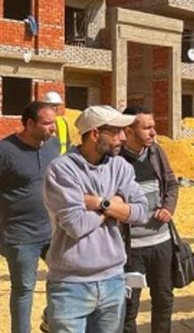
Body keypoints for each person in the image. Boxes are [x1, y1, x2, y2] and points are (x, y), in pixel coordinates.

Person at [43, 105, 148, 332]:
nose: (123, 138)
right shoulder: (62, 170)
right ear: (95, 134)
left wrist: (101, 203)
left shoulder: (120, 166)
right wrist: (117, 204)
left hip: (113, 281)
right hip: (71, 287)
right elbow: (77, 225)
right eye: (116, 132)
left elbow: (141, 212)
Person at [120, 106, 180, 333]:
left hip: (161, 243)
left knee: (164, 300)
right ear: (129, 131)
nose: (153, 132)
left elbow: (171, 184)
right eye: (147, 128)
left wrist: (168, 208)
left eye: (153, 127)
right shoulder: (115, 159)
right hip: (131, 248)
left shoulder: (156, 152)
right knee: (128, 307)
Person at [0, 102, 59, 333]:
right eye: (47, 123)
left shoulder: (53, 145)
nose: (53, 128)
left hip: (52, 231)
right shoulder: (5, 151)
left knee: (65, 278)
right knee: (24, 289)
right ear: (30, 123)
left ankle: (50, 319)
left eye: (53, 122)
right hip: (20, 235)